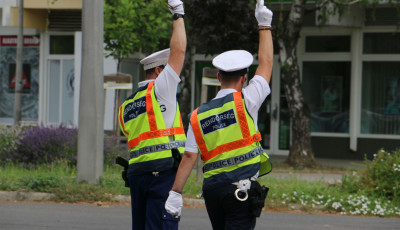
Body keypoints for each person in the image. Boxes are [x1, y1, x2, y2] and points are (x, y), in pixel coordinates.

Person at [165, 1, 273, 229]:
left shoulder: (197, 115)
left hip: (213, 191)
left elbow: (189, 157)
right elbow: (266, 65)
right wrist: (264, 25)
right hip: (240, 190)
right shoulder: (247, 100)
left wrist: (176, 192)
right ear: (244, 79)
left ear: (218, 77)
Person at [117, 0, 186, 229]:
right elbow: (179, 50)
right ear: (159, 71)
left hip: (138, 174)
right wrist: (178, 14)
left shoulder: (127, 104)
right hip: (161, 173)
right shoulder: (160, 89)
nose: (172, 75)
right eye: (167, 70)